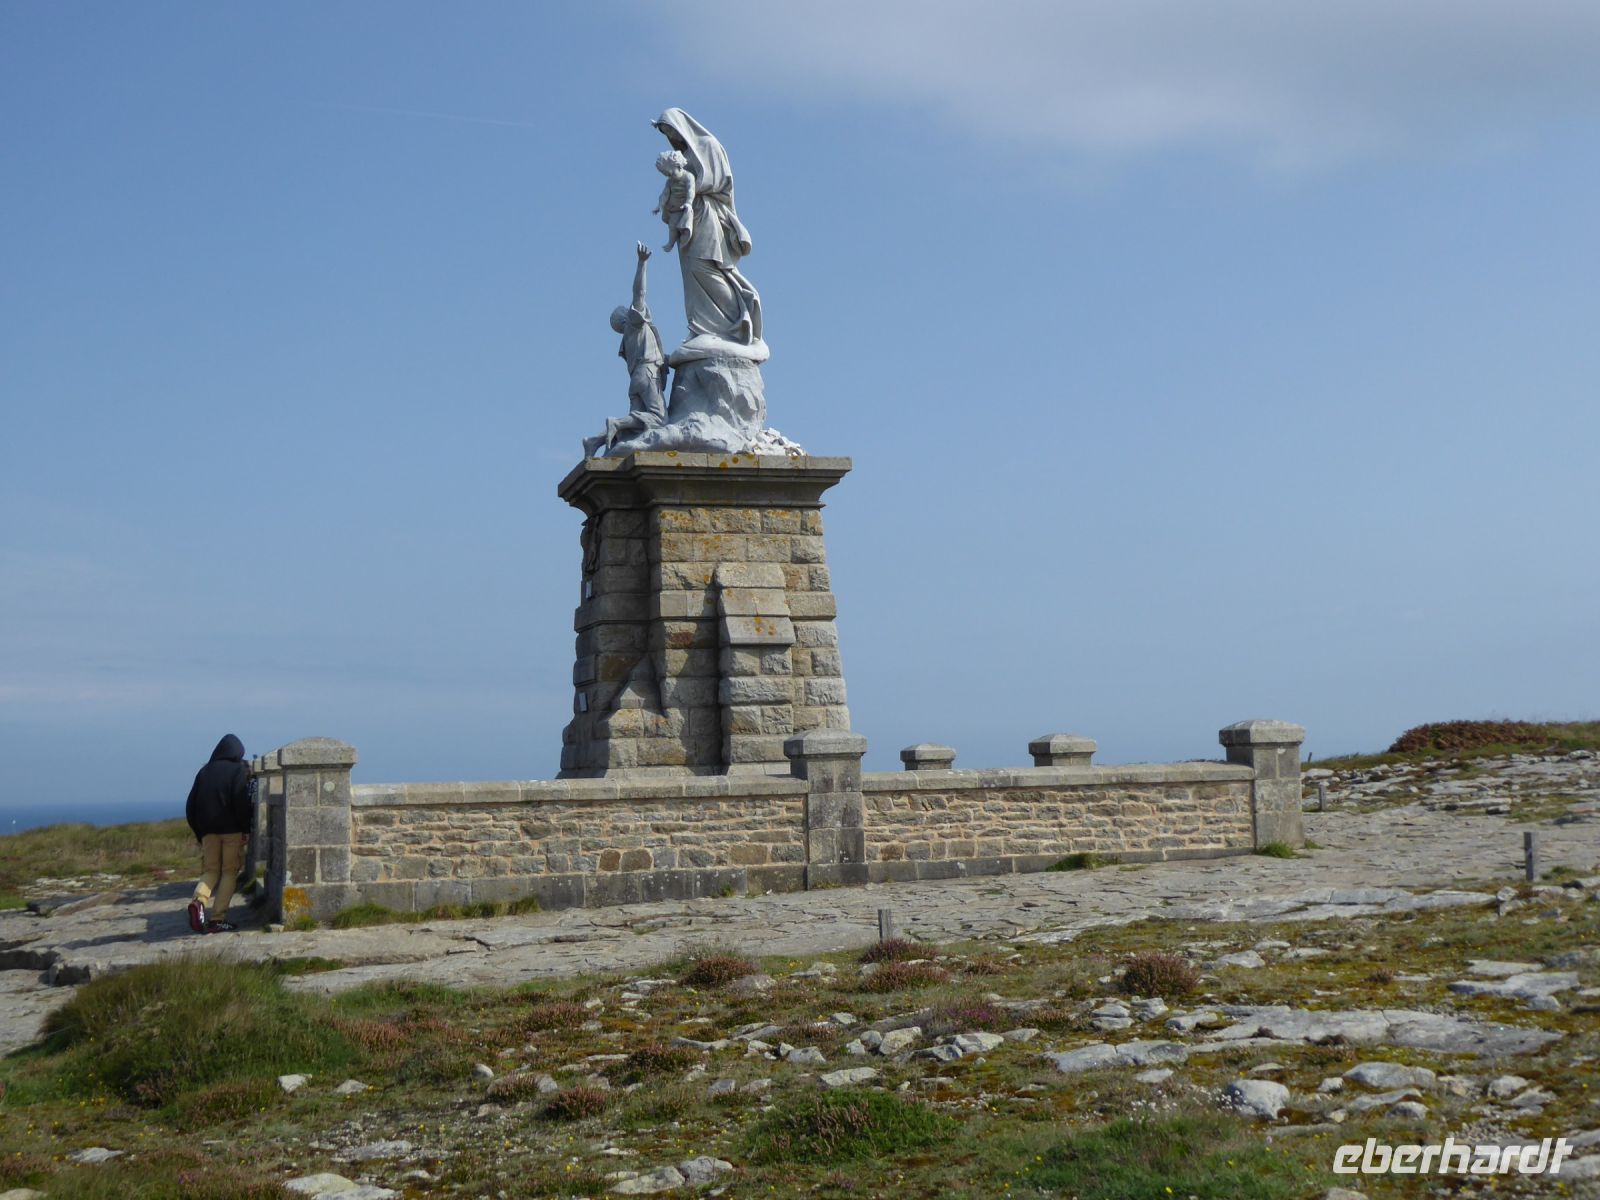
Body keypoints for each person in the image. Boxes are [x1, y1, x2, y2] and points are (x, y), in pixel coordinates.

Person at [651, 108, 762, 346]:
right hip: (686, 217)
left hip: (707, 214)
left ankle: (737, 319)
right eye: (665, 133)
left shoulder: (708, 145)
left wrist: (687, 189)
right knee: (691, 271)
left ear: (680, 125)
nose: (670, 136)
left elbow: (721, 181)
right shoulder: (683, 154)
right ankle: (702, 327)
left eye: (670, 129)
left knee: (706, 266)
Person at [582, 242, 669, 456]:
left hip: (636, 380)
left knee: (633, 428)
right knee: (660, 420)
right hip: (648, 374)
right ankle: (616, 423)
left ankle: (594, 442)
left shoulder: (627, 340)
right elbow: (639, 293)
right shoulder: (635, 324)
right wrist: (642, 263)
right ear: (626, 316)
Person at [184, 733, 254, 933]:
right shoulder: (236, 771)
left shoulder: (204, 771)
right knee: (229, 872)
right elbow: (240, 802)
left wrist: (199, 832)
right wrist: (245, 828)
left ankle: (198, 902)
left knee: (210, 870)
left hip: (208, 832)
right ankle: (217, 919)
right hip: (232, 831)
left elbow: (190, 805)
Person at [652, 149, 695, 252]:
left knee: (683, 224)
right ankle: (671, 242)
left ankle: (684, 236)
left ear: (679, 166)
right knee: (672, 226)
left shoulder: (688, 177)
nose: (670, 177)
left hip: (683, 208)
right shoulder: (670, 182)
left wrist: (689, 203)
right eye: (668, 175)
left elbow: (691, 190)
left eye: (671, 173)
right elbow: (664, 194)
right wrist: (660, 206)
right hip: (673, 210)